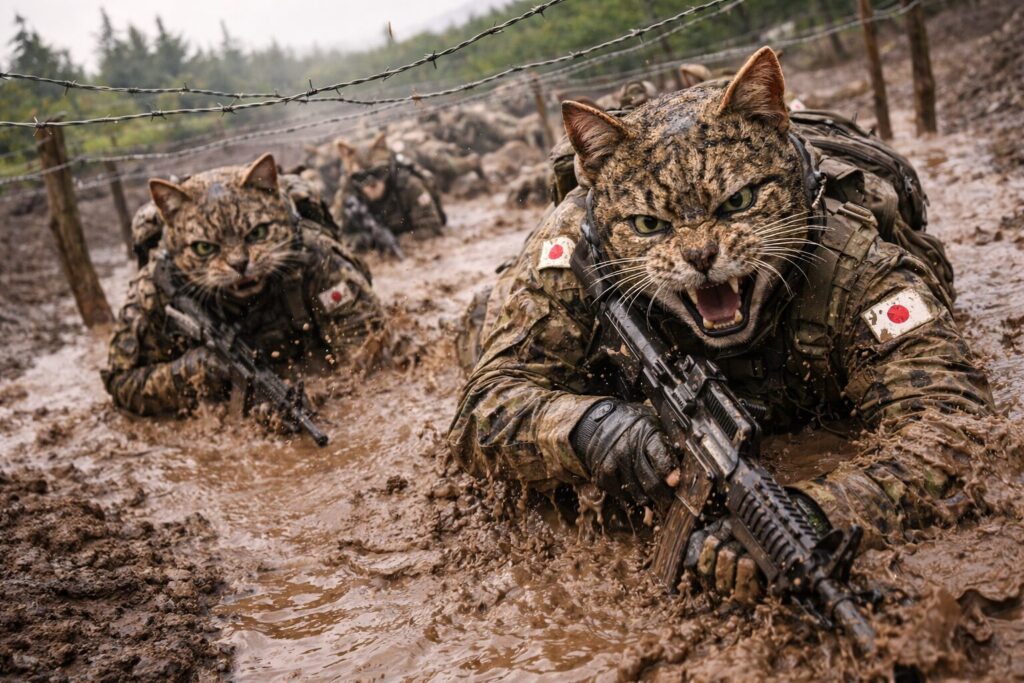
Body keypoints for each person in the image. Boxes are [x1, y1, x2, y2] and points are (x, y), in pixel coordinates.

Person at [447, 47, 994, 601]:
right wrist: (596, 430)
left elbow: (955, 424)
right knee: (476, 328)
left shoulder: (850, 264)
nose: (699, 251)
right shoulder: (577, 257)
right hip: (581, 330)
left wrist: (818, 512)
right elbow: (483, 411)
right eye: (649, 225)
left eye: (737, 204)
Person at [103, 153, 383, 419]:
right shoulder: (159, 289)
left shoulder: (313, 259)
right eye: (205, 248)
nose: (238, 261)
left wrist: (333, 400)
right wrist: (195, 370)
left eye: (257, 234)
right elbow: (120, 385)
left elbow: (372, 354)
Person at [331, 132, 446, 251]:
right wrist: (368, 241)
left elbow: (432, 226)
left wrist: (402, 242)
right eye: (362, 178)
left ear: (389, 170)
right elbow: (339, 238)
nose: (372, 184)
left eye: (378, 173)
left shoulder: (409, 186)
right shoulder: (347, 198)